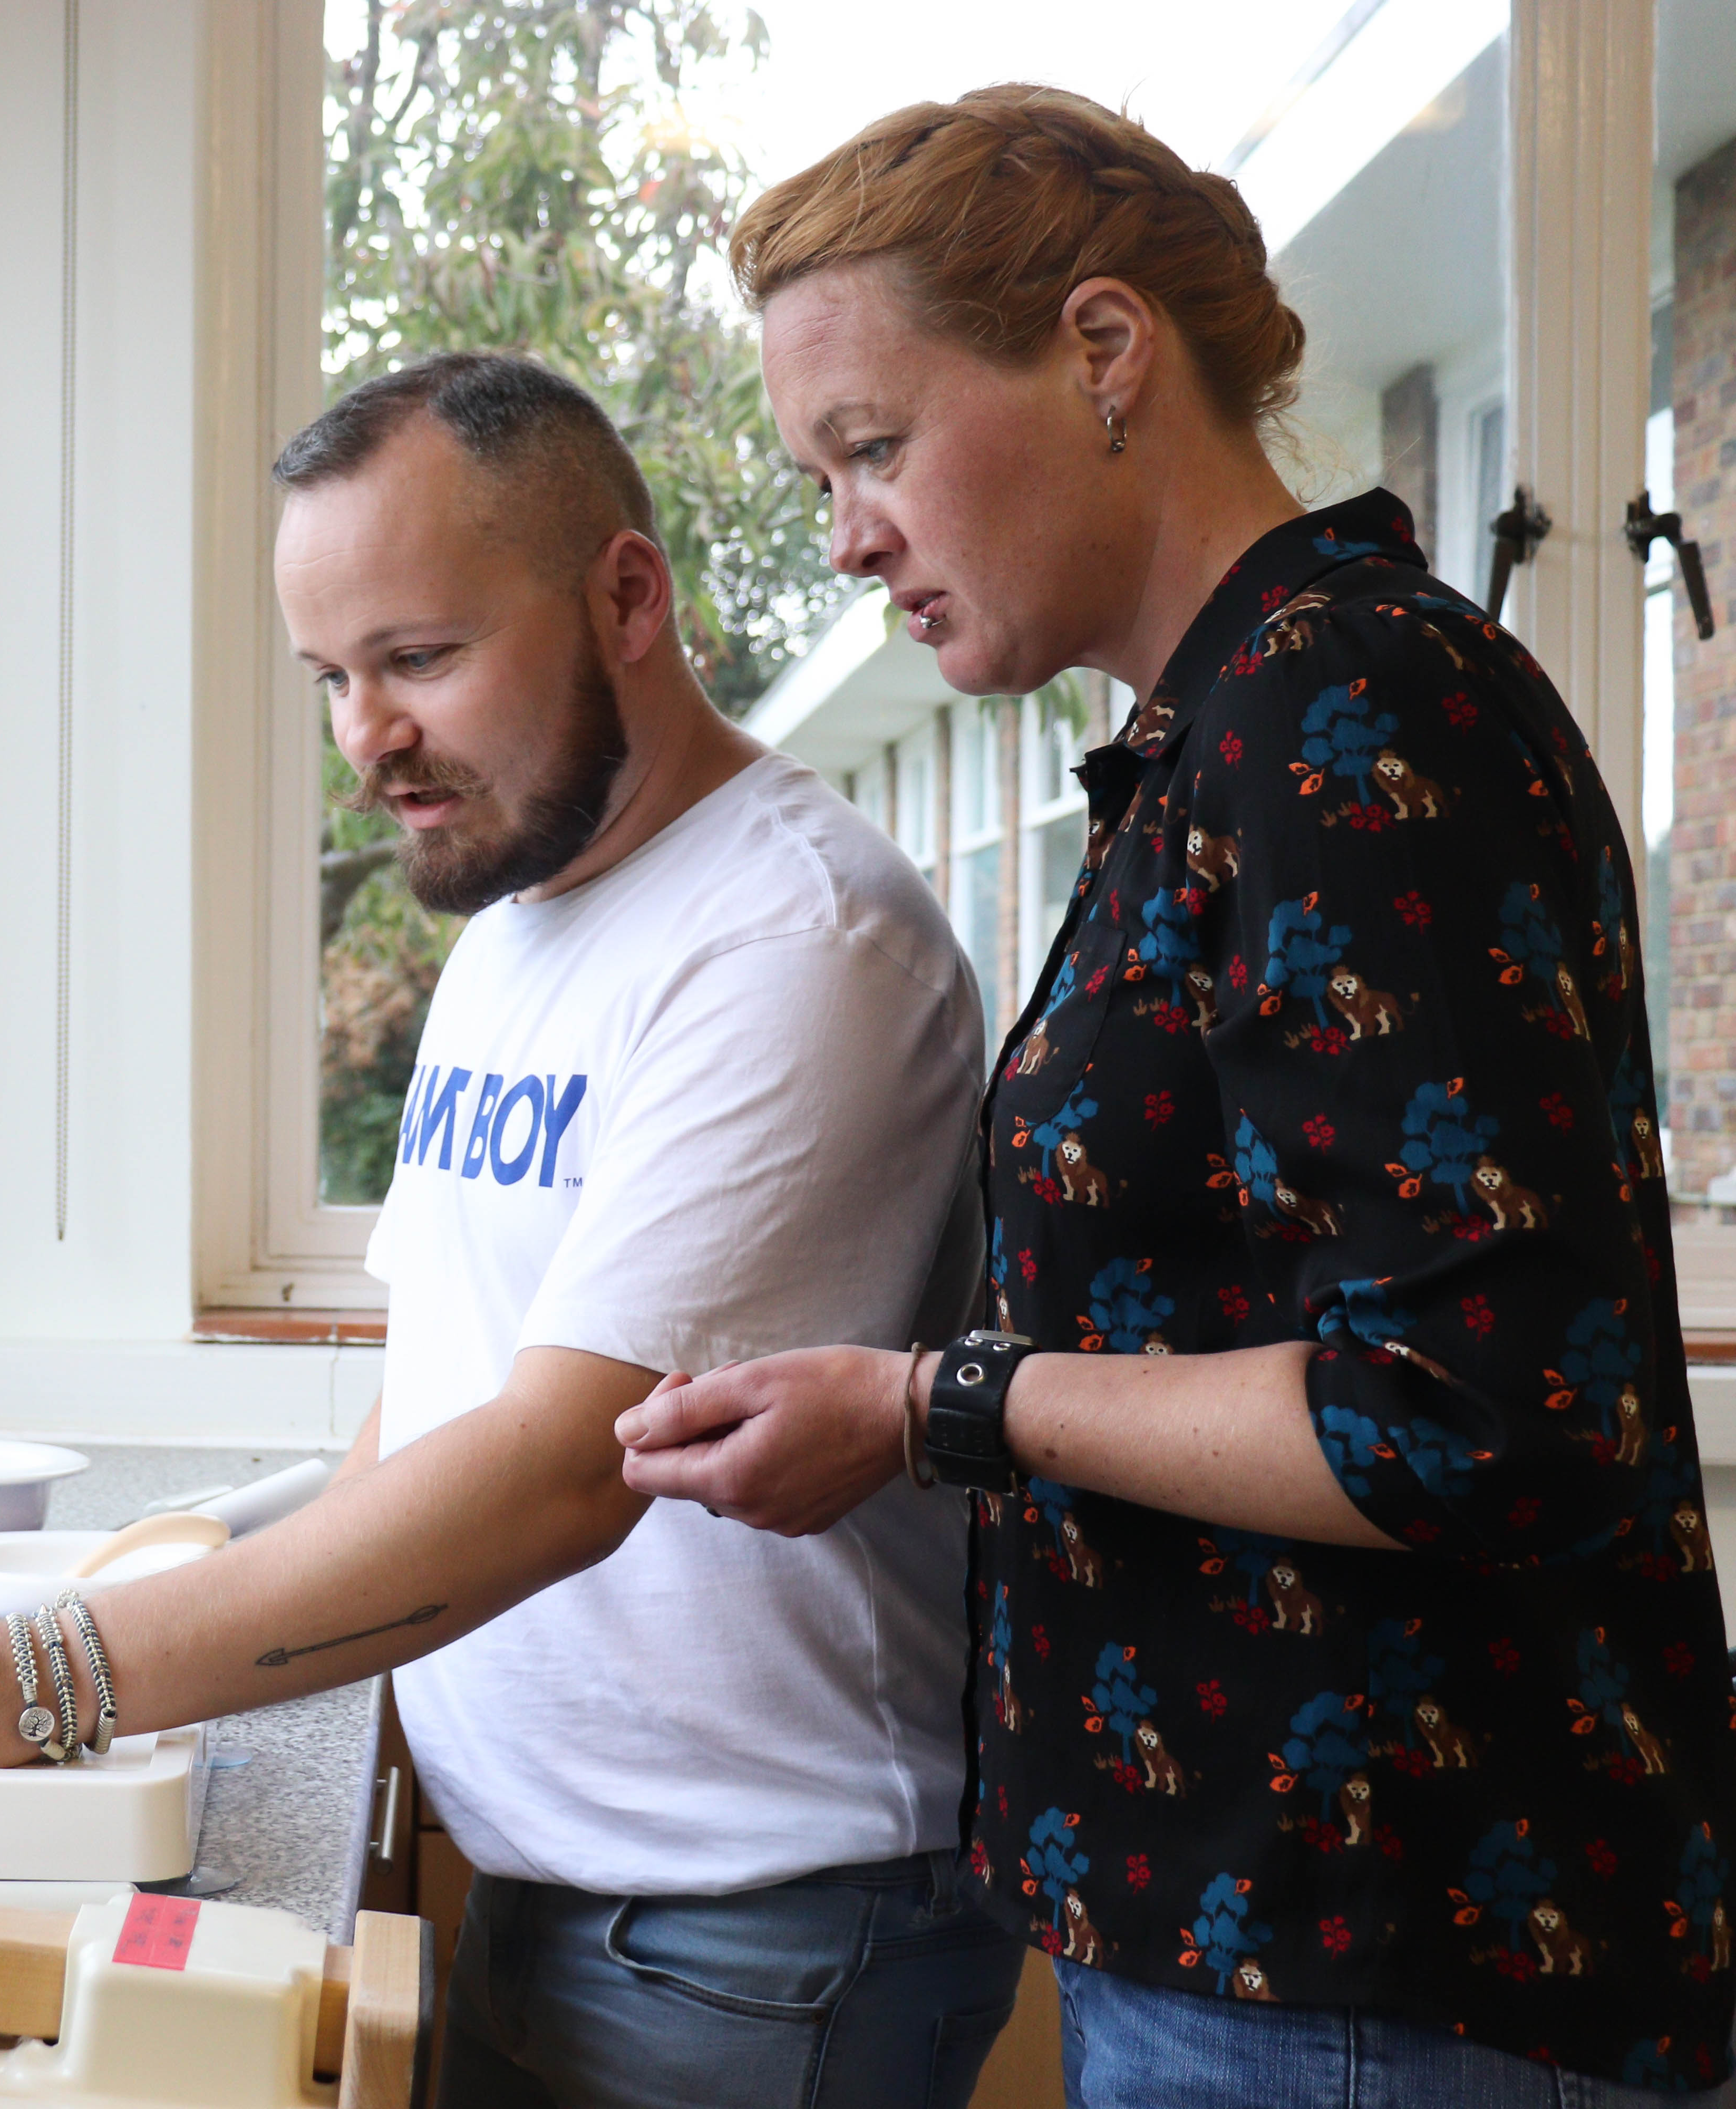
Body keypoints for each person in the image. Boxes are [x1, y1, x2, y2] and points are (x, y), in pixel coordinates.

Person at [0, 351, 1023, 2105]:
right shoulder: (516, 928)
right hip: (572, 1893)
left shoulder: (793, 940)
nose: (365, 737)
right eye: (331, 675)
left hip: (760, 1934)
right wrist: (197, 1548)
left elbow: (571, 1465)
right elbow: (450, 1390)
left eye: (418, 659)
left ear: (628, 594)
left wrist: (43, 1676)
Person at [614, 85, 1736, 2104]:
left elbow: (1478, 1410)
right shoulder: (1224, 733)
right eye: (822, 473)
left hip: (1380, 1979)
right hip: (1274, 1952)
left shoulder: (1349, 706)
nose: (850, 531)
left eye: (874, 446)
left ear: (1107, 353)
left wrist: (928, 1403)